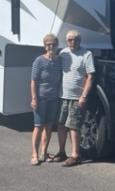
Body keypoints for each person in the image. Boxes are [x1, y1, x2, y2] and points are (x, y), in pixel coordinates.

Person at [50, 30, 95, 167]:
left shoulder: (86, 54)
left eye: (75, 39)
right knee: (61, 125)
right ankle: (62, 152)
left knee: (74, 127)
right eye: (69, 40)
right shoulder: (63, 53)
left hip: (77, 98)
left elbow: (90, 77)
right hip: (62, 96)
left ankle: (75, 155)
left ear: (80, 40)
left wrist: (84, 96)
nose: (72, 42)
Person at [30, 34, 61, 165]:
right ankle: (34, 154)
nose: (51, 47)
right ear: (44, 46)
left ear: (57, 46)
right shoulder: (39, 61)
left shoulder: (59, 60)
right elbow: (33, 81)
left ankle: (44, 152)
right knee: (38, 126)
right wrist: (34, 98)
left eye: (53, 44)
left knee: (48, 126)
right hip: (41, 98)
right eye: (48, 44)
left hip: (53, 99)